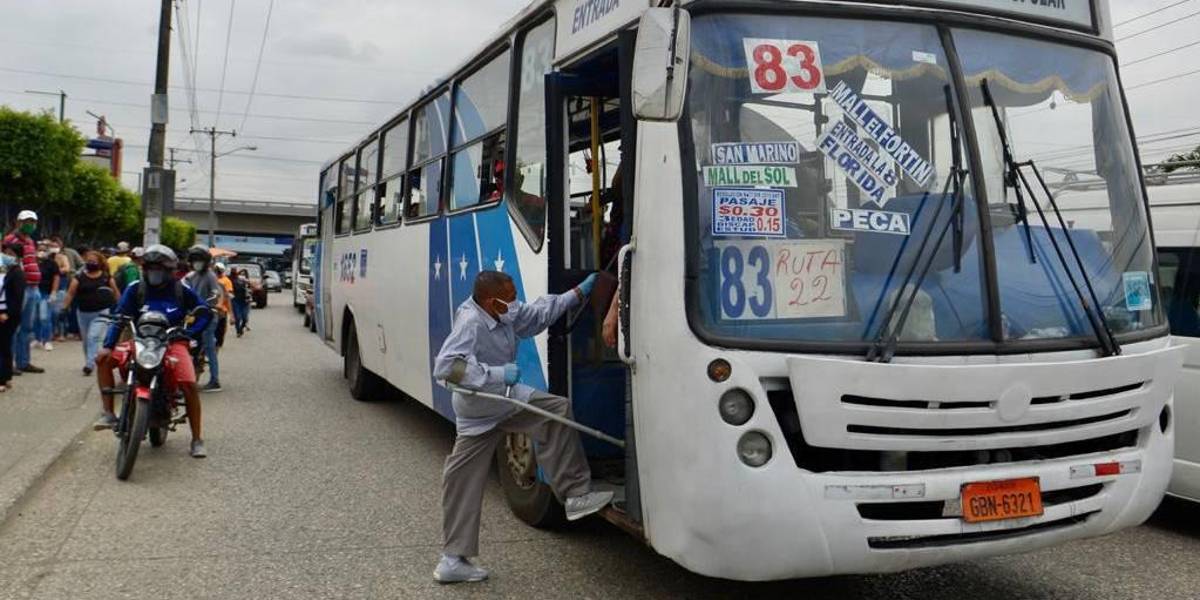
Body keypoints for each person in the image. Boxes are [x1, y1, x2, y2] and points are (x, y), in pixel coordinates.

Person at [430, 270, 611, 584]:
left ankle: (575, 496)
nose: (514, 302)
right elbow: (446, 367)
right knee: (461, 479)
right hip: (480, 412)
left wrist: (578, 293)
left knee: (557, 411)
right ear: (491, 301)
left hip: (507, 400)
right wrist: (498, 374)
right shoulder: (470, 322)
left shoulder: (503, 309)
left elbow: (537, 314)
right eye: (509, 297)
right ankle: (452, 561)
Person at [95, 245, 211, 458]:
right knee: (102, 359)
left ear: (170, 270)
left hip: (173, 342)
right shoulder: (135, 289)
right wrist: (108, 344)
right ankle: (109, 412)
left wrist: (190, 333)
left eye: (160, 268)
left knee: (189, 383)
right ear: (145, 268)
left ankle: (196, 438)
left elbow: (205, 312)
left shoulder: (181, 290)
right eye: (151, 268)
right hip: (140, 340)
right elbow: (120, 318)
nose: (155, 273)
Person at [61, 250, 119, 376]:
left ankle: (89, 364)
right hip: (83, 313)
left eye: (93, 261)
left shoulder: (106, 277)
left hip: (101, 312)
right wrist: (64, 308)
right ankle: (89, 359)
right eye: (88, 261)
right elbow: (71, 293)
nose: (90, 263)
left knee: (93, 337)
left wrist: (120, 308)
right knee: (86, 340)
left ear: (99, 263)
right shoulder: (79, 277)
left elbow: (116, 293)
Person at [3, 210, 45, 374]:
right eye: (27, 221)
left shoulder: (30, 241)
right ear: (18, 222)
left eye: (33, 222)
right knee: (14, 326)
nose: (30, 225)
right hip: (20, 288)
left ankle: (23, 361)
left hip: (34, 287)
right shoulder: (10, 240)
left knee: (27, 327)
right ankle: (9, 363)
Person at [183, 245, 226, 392]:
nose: (197, 263)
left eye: (199, 260)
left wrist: (208, 304)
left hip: (207, 317)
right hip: (192, 317)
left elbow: (215, 294)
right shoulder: (190, 276)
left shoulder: (210, 276)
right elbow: (182, 290)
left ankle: (215, 380)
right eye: (194, 260)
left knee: (209, 347)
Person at [0, 243, 27, 392]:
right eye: (5, 252)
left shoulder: (17, 273)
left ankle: (2, 379)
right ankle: (6, 375)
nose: (6, 255)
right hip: (3, 312)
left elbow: (17, 299)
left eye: (10, 253)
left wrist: (7, 314)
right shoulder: (6, 272)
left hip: (8, 314)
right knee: (4, 346)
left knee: (3, 346)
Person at [35, 242, 60, 351]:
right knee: (36, 318)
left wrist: (54, 292)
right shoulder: (33, 262)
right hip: (34, 290)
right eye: (39, 249)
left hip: (45, 292)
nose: (41, 252)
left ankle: (47, 340)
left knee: (45, 317)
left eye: (44, 250)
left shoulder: (52, 263)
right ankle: (38, 339)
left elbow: (56, 278)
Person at [212, 263, 233, 349]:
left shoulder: (226, 281)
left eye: (218, 271)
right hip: (209, 309)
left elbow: (228, 297)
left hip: (221, 311)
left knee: (219, 334)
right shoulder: (210, 280)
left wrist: (231, 314)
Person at [230, 268, 251, 337]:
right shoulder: (231, 280)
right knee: (238, 318)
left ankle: (241, 328)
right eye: (233, 272)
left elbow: (251, 287)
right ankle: (238, 331)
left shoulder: (244, 280)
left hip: (245, 301)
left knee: (245, 318)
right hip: (236, 301)